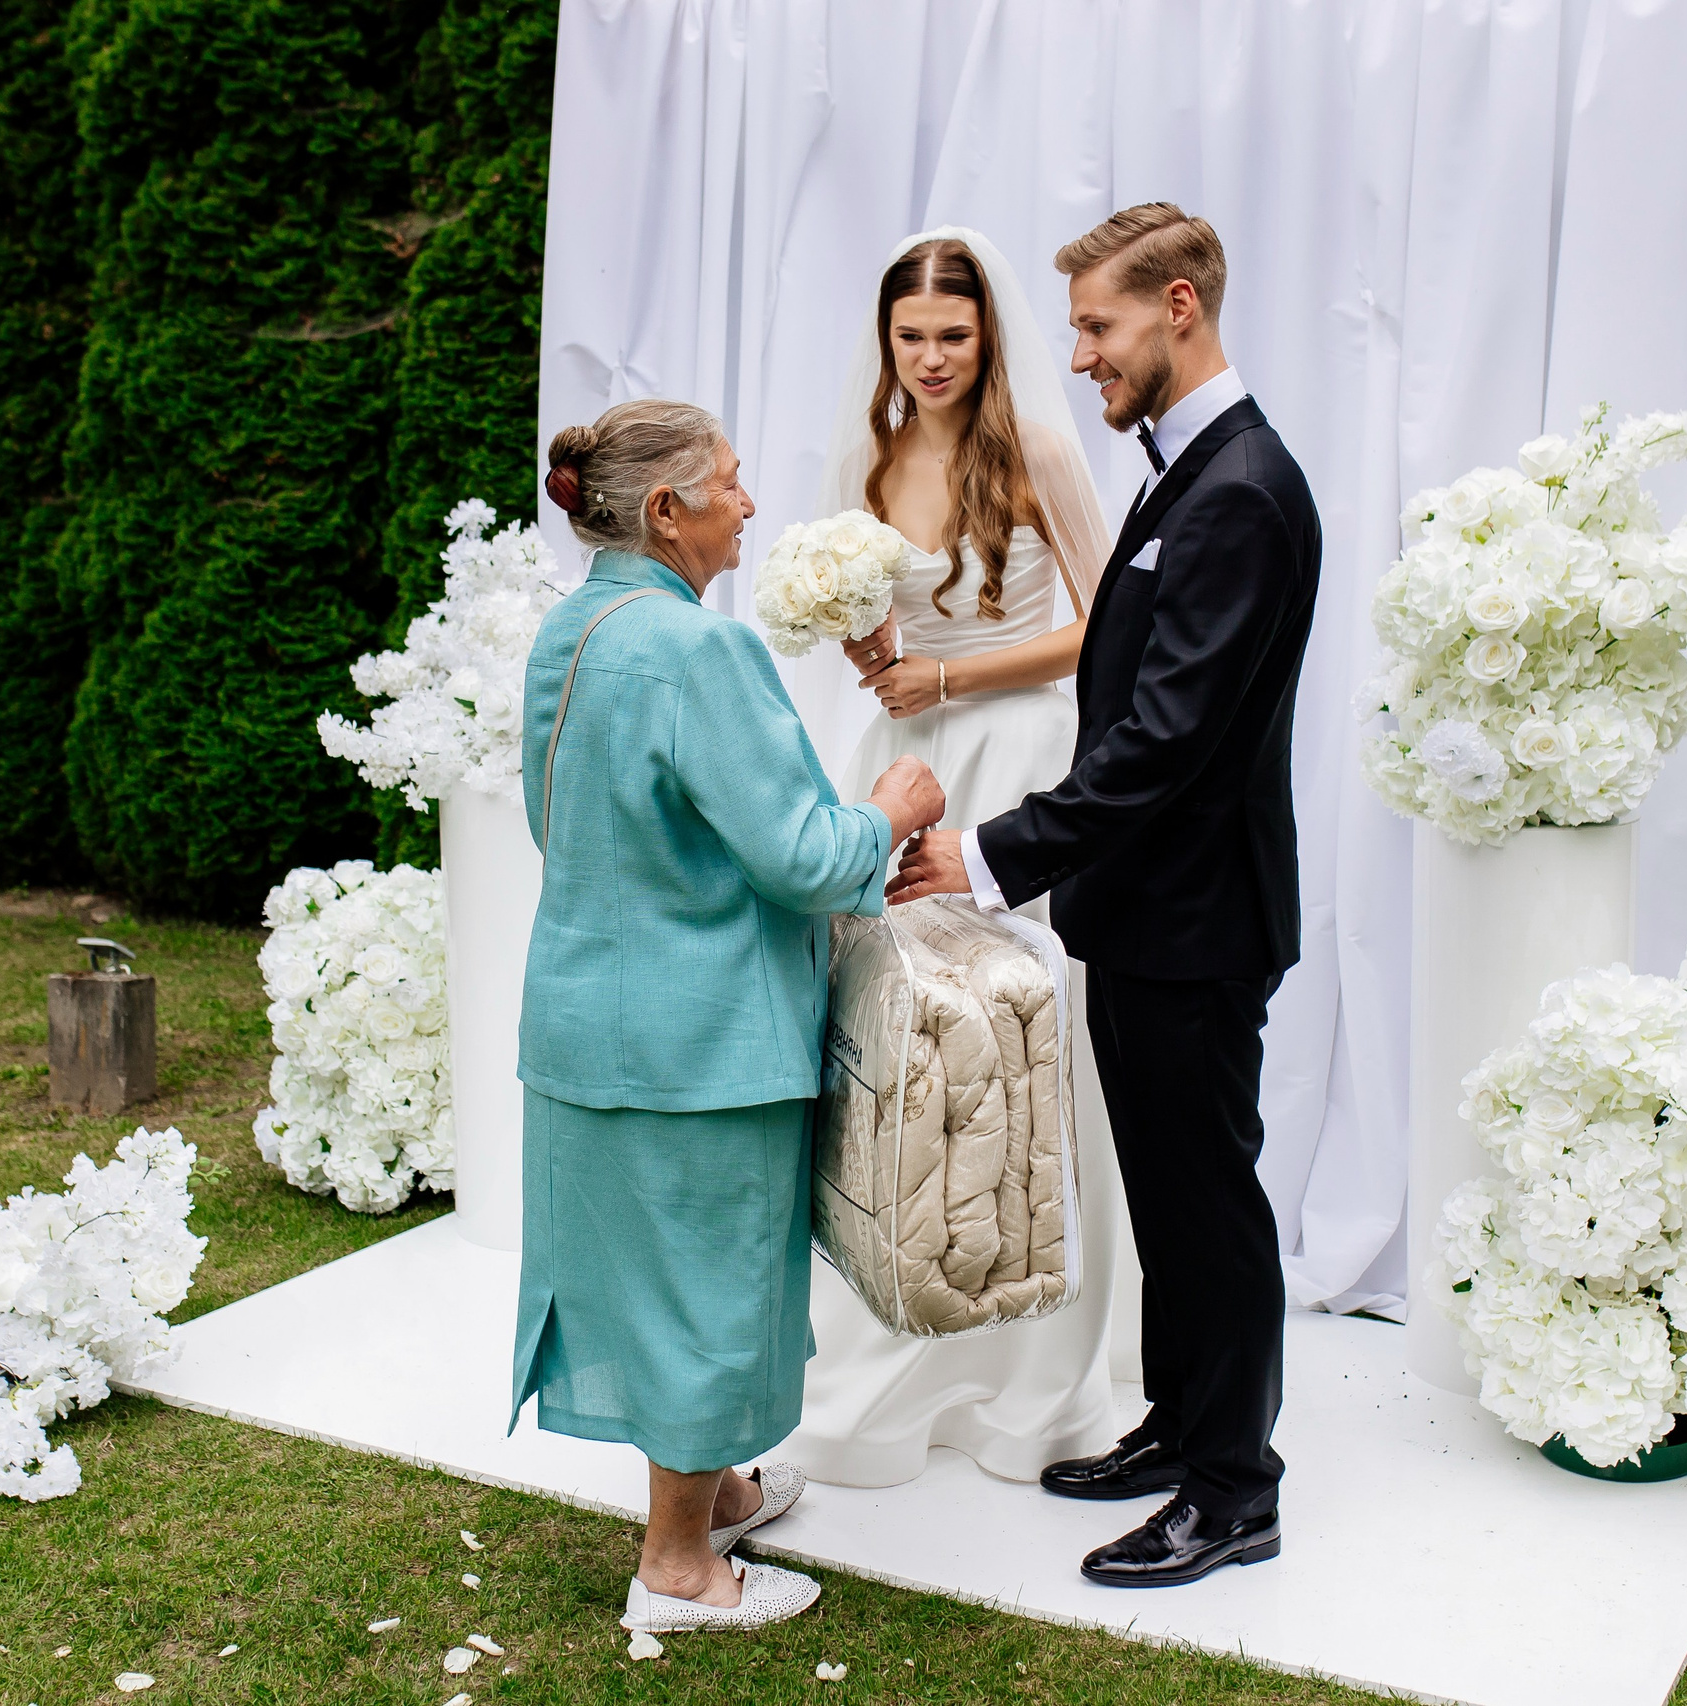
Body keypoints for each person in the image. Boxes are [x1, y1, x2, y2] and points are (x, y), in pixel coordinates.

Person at [889, 204, 1322, 1588]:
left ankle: (1234, 1487)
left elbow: (1169, 736)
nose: (1077, 353)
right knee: (1166, 1188)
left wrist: (996, 850)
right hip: (1143, 911)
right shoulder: (1184, 467)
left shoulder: (1243, 486)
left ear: (1179, 306)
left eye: (1098, 325)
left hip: (1200, 920)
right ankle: (1178, 1424)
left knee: (1210, 1201)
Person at [513, 397, 948, 1632]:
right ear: (667, 510)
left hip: (589, 1014)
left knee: (648, 1277)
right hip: (699, 1034)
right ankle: (679, 1568)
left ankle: (722, 1497)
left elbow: (578, 822)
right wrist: (893, 806)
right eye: (731, 482)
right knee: (710, 1288)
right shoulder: (698, 649)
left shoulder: (573, 627)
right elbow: (804, 856)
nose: (750, 505)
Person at [782, 228, 1126, 1490]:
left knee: (1022, 1038)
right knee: (896, 1038)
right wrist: (871, 654)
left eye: (954, 337)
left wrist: (952, 671)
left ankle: (1031, 1368)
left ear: (989, 340)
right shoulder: (867, 454)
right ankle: (894, 1308)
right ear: (887, 341)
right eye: (910, 337)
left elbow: (1104, 628)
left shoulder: (1033, 446)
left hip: (1016, 755)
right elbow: (859, 629)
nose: (930, 360)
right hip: (895, 751)